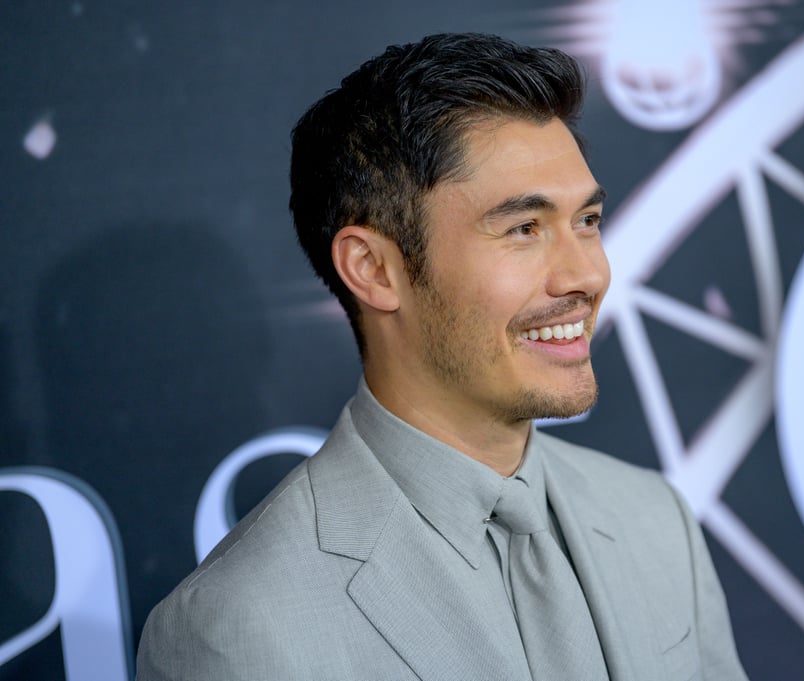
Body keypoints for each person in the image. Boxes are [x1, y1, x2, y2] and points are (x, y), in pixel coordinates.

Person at [136, 32, 748, 681]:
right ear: (373, 269)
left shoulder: (656, 519)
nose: (587, 275)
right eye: (524, 228)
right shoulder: (237, 627)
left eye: (588, 221)